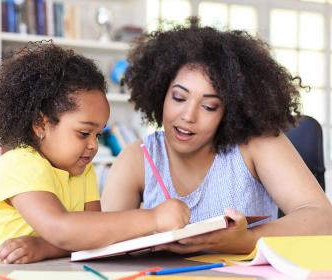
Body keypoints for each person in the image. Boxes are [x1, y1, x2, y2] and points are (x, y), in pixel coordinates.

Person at [101, 18, 332, 255]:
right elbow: (100, 243)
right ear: (161, 92)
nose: (188, 116)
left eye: (209, 106)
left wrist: (246, 240)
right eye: (179, 98)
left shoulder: (256, 144)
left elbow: (324, 220)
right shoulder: (138, 158)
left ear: (230, 110)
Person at [0, 42, 190, 264]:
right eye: (84, 133)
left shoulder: (82, 171)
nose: (94, 145)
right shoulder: (19, 164)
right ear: (40, 125)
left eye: (98, 135)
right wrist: (154, 219)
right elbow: (62, 230)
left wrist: (43, 247)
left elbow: (92, 235)